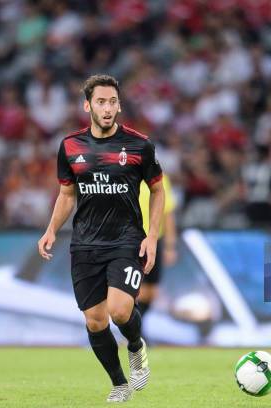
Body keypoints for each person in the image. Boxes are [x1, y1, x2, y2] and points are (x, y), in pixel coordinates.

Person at [37, 74, 165, 403]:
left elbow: (157, 189)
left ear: (119, 105)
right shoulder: (70, 146)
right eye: (100, 102)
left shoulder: (139, 145)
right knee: (95, 321)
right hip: (85, 244)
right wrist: (51, 229)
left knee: (120, 311)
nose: (107, 108)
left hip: (126, 240)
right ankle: (119, 383)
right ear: (87, 105)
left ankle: (136, 346)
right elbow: (67, 194)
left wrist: (152, 237)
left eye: (112, 102)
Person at [137, 173, 177, 317]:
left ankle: (136, 329)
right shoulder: (125, 175)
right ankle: (133, 334)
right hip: (131, 240)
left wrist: (170, 246)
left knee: (152, 291)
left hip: (154, 240)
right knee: (132, 287)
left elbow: (168, 213)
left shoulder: (160, 178)